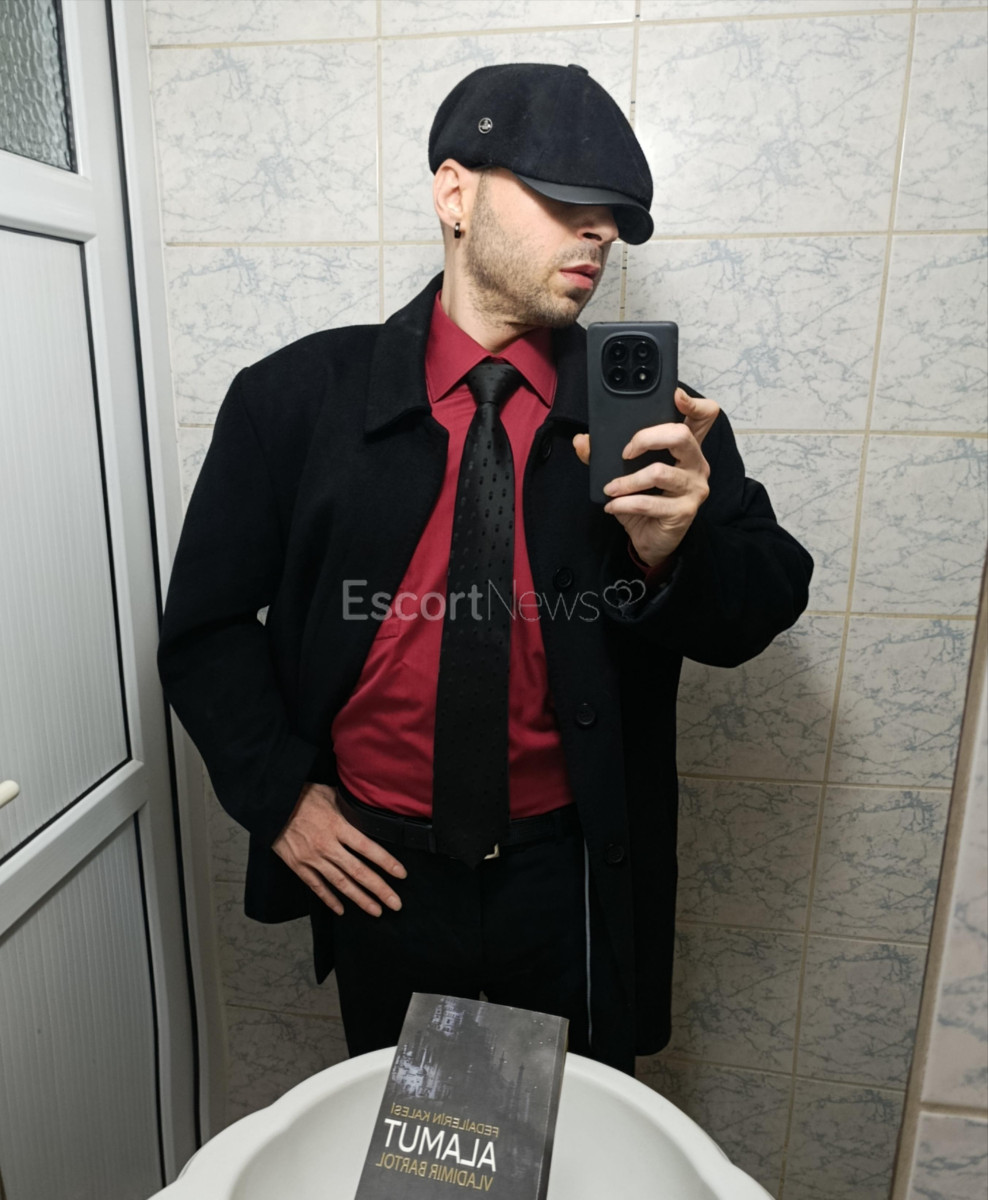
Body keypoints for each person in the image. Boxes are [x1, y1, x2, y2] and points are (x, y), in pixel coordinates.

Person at [158, 63, 813, 1074]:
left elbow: (764, 600)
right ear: (454, 194)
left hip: (573, 875)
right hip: (378, 873)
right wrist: (280, 797)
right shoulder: (295, 401)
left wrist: (673, 551)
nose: (598, 233)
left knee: (571, 1134)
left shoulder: (657, 426)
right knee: (414, 1138)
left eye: (614, 217)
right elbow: (203, 631)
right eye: (562, 198)